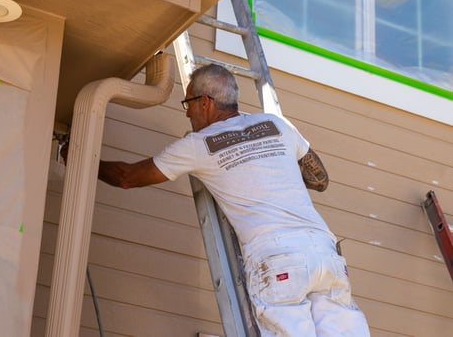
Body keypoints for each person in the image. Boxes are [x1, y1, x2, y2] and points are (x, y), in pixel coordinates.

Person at [97, 64, 370, 336]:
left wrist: (77, 153)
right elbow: (320, 179)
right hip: (323, 250)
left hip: (276, 257)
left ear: (205, 102)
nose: (188, 112)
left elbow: (126, 177)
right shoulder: (275, 124)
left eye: (188, 103)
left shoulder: (198, 144)